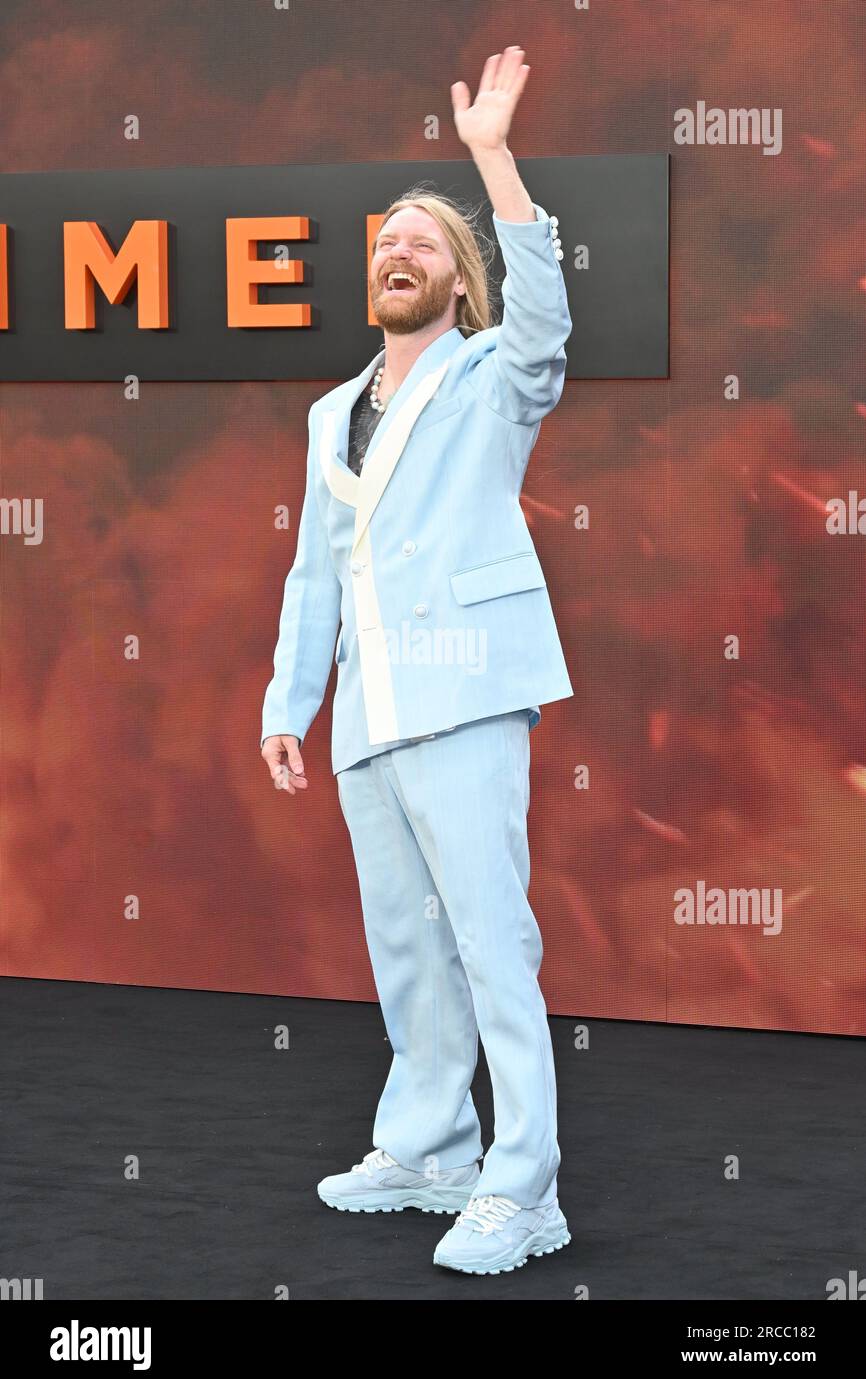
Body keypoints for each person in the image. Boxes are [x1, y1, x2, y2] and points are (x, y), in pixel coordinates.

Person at [261, 47, 574, 1276]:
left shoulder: (495, 378)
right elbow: (310, 573)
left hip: (467, 693)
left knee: (493, 942)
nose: (399, 252)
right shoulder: (327, 413)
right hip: (368, 721)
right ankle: (430, 1145)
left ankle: (525, 1185)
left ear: (458, 281)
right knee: (406, 945)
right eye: (385, 241)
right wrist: (292, 699)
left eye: (425, 244)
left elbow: (545, 324)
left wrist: (492, 160)